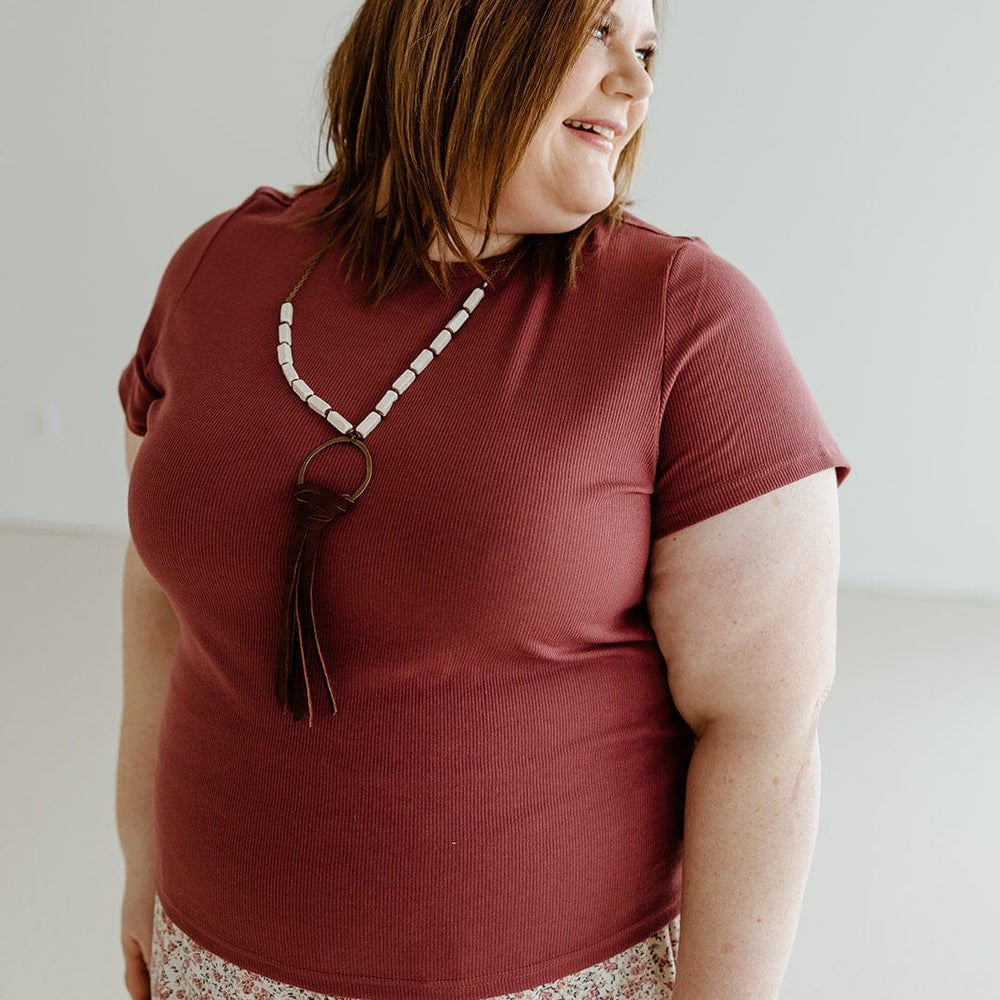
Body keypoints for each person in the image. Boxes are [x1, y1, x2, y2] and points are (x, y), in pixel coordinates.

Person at [115, 0, 851, 998]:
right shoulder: (216, 270)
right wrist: (145, 869)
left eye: (646, 51)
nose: (636, 86)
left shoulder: (684, 321)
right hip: (215, 963)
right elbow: (161, 600)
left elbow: (762, 729)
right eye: (597, 33)